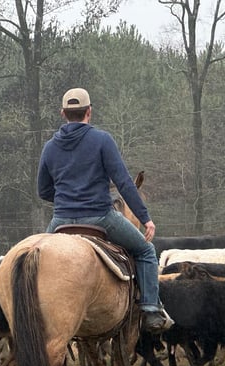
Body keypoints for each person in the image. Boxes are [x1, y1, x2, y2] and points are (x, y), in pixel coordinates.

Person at [37, 87, 173, 334]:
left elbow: (43, 190)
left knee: (35, 261)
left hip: (60, 221)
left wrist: (67, 200)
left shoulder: (49, 147)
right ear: (89, 112)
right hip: (101, 217)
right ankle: (152, 310)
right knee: (146, 251)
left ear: (63, 113)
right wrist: (145, 218)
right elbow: (123, 182)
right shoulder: (102, 140)